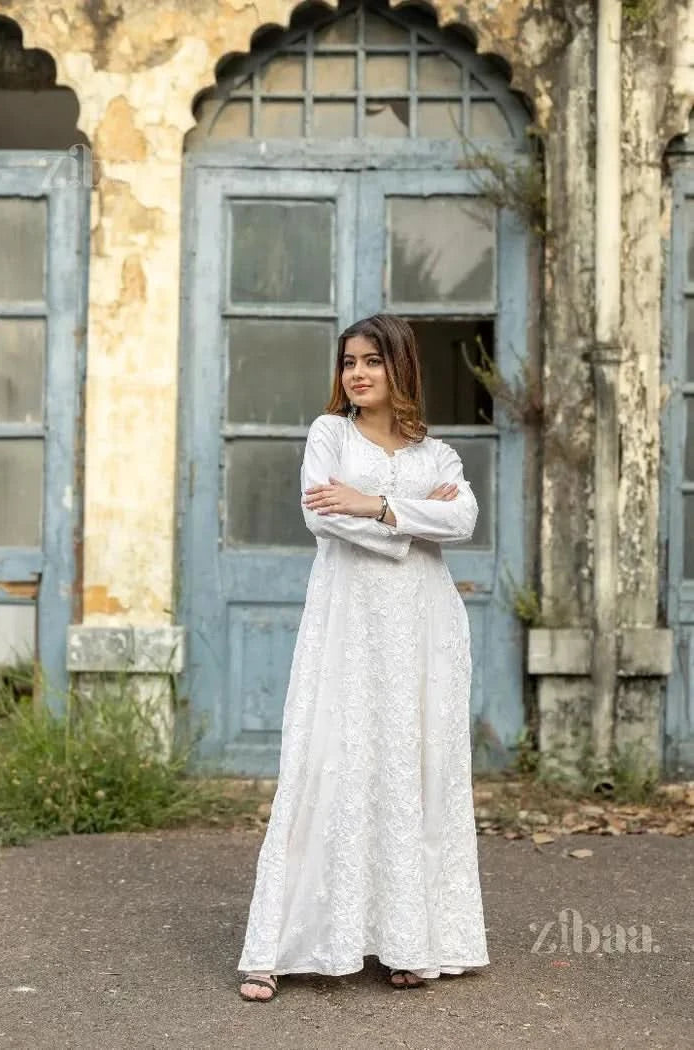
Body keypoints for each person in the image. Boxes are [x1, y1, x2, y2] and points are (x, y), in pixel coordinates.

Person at [237, 313, 489, 1002]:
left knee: (413, 769)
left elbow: (463, 520)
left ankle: (411, 942)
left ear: (400, 367)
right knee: (324, 762)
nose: (356, 373)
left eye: (372, 360)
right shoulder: (330, 435)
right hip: (347, 624)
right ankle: (277, 947)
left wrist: (377, 505)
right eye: (348, 361)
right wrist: (409, 518)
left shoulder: (435, 455)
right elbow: (322, 514)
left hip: (422, 628)